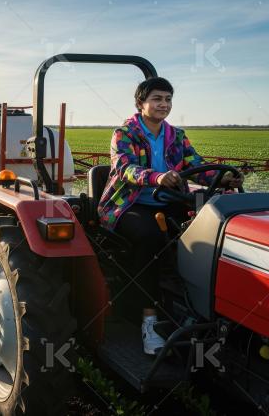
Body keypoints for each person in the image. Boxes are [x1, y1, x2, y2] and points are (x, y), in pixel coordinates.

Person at [97, 77, 242, 355]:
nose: (163, 104)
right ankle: (149, 323)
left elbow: (195, 165)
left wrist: (223, 178)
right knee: (150, 238)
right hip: (130, 204)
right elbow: (124, 169)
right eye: (157, 99)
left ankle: (203, 306)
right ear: (141, 103)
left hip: (169, 200)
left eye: (168, 99)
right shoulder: (124, 133)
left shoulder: (177, 135)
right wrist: (157, 176)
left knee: (210, 227)